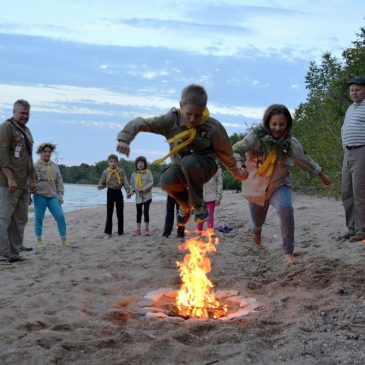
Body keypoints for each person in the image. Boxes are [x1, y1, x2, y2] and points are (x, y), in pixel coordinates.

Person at [116, 84, 246, 226]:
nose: (192, 119)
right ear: (181, 106)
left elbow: (225, 154)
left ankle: (199, 206)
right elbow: (141, 122)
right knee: (166, 180)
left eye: (198, 115)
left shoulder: (212, 127)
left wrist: (236, 172)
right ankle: (185, 206)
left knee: (189, 162)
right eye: (189, 113)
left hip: (205, 168)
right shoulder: (171, 121)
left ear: (204, 109)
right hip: (181, 168)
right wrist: (125, 139)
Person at [233, 104, 331, 265]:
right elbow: (235, 148)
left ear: (287, 125)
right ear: (267, 123)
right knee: (257, 221)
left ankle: (288, 251)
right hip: (256, 187)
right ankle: (257, 231)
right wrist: (239, 164)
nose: (277, 128)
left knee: (286, 208)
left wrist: (322, 175)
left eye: (282, 124)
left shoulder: (291, 144)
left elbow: (305, 160)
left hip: (280, 185)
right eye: (274, 124)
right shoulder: (255, 138)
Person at [0, 99, 36, 264]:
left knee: (20, 219)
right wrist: (10, 177)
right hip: (8, 183)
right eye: (22, 113)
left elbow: (28, 158)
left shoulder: (26, 131)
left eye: (27, 113)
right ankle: (2, 253)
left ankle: (14, 253)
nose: (25, 116)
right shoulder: (7, 127)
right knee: (4, 218)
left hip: (23, 184)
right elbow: (2, 156)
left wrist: (32, 179)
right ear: (14, 112)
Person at [338, 76, 365, 242]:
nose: (354, 93)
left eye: (358, 90)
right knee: (346, 192)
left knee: (359, 193)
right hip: (348, 153)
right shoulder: (350, 108)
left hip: (362, 151)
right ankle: (352, 228)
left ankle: (362, 230)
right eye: (352, 90)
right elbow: (343, 128)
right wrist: (344, 145)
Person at [33, 143, 70, 248]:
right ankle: (39, 241)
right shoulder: (35, 166)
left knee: (60, 216)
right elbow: (30, 181)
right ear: (40, 153)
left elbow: (59, 181)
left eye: (49, 152)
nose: (47, 153)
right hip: (39, 195)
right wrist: (28, 196)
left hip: (53, 196)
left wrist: (61, 195)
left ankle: (64, 240)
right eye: (45, 151)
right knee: (39, 218)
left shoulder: (55, 166)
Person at [97, 154, 130, 238]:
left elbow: (125, 182)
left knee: (120, 213)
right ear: (108, 162)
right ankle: (108, 233)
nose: (113, 163)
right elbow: (102, 182)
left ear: (117, 162)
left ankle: (120, 231)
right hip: (110, 192)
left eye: (115, 161)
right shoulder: (106, 171)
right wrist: (100, 186)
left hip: (119, 192)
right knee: (109, 213)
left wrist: (128, 191)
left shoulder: (121, 171)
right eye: (111, 161)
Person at [128, 156, 154, 236]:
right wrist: (131, 192)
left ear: (145, 164)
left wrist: (143, 189)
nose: (140, 164)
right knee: (138, 213)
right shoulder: (134, 174)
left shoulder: (148, 172)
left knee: (146, 212)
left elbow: (151, 182)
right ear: (136, 164)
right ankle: (138, 229)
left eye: (142, 162)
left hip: (147, 196)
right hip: (138, 197)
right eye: (138, 163)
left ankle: (146, 229)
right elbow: (131, 185)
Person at [196, 166, 223, 234]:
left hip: (211, 196)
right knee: (200, 215)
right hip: (200, 197)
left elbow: (220, 184)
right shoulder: (197, 166)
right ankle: (199, 233)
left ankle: (210, 233)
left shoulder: (217, 168)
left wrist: (218, 197)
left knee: (210, 215)